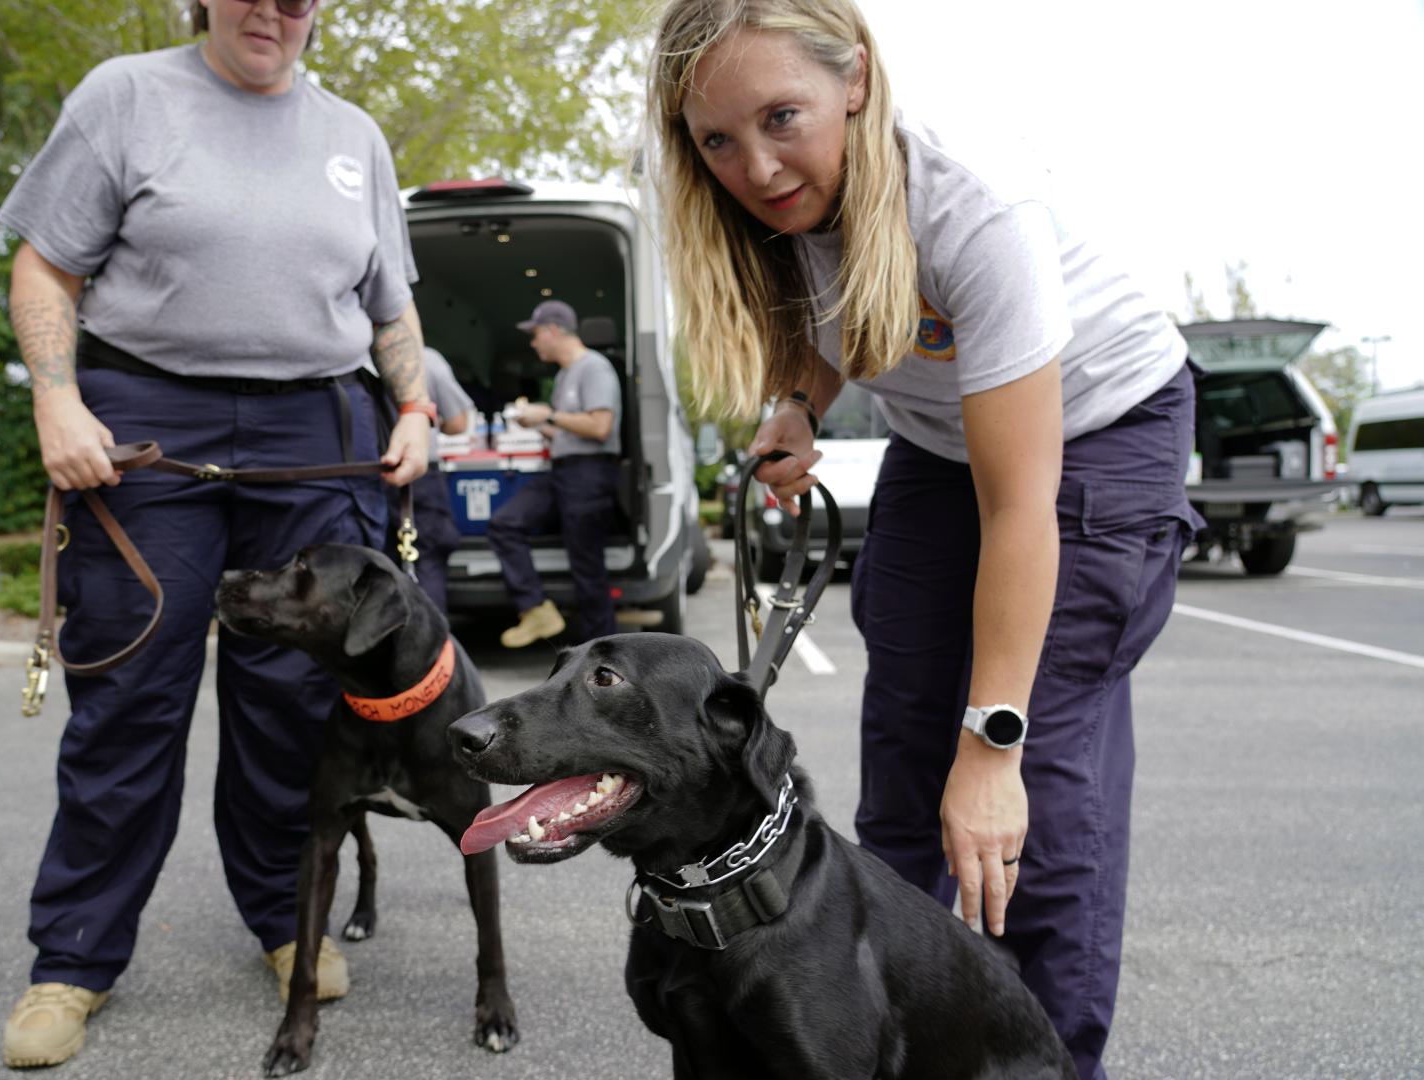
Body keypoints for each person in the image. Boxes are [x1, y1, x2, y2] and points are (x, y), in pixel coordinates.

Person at [646, 2, 1203, 1077]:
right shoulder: (770, 205)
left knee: (1028, 773)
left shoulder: (976, 213)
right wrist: (798, 407)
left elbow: (1018, 508)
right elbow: (830, 321)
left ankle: (1042, 1061)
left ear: (855, 80)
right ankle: (879, 1039)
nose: (756, 168)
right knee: (903, 774)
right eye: (718, 139)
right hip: (941, 434)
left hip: (1096, 431)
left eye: (782, 118)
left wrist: (992, 745)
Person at [0, 0, 437, 1068]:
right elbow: (45, 267)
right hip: (151, 422)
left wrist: (413, 407)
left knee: (291, 705)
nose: (274, 11)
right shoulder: (125, 97)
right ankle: (73, 958)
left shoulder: (354, 136)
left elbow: (390, 310)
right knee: (130, 697)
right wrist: (57, 401)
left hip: (312, 422)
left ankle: (289, 925)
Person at [487, 299, 624, 647]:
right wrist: (531, 423)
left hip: (590, 473)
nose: (533, 343)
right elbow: (567, 429)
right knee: (505, 523)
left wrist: (547, 415)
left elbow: (600, 427)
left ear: (552, 330)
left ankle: (606, 656)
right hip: (563, 471)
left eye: (535, 335)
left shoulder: (594, 368)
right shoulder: (565, 375)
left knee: (587, 571)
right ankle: (535, 609)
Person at [387, 347, 474, 614]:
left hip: (357, 474)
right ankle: (430, 653)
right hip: (416, 477)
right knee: (426, 561)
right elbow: (459, 423)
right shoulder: (423, 358)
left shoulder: (347, 355)